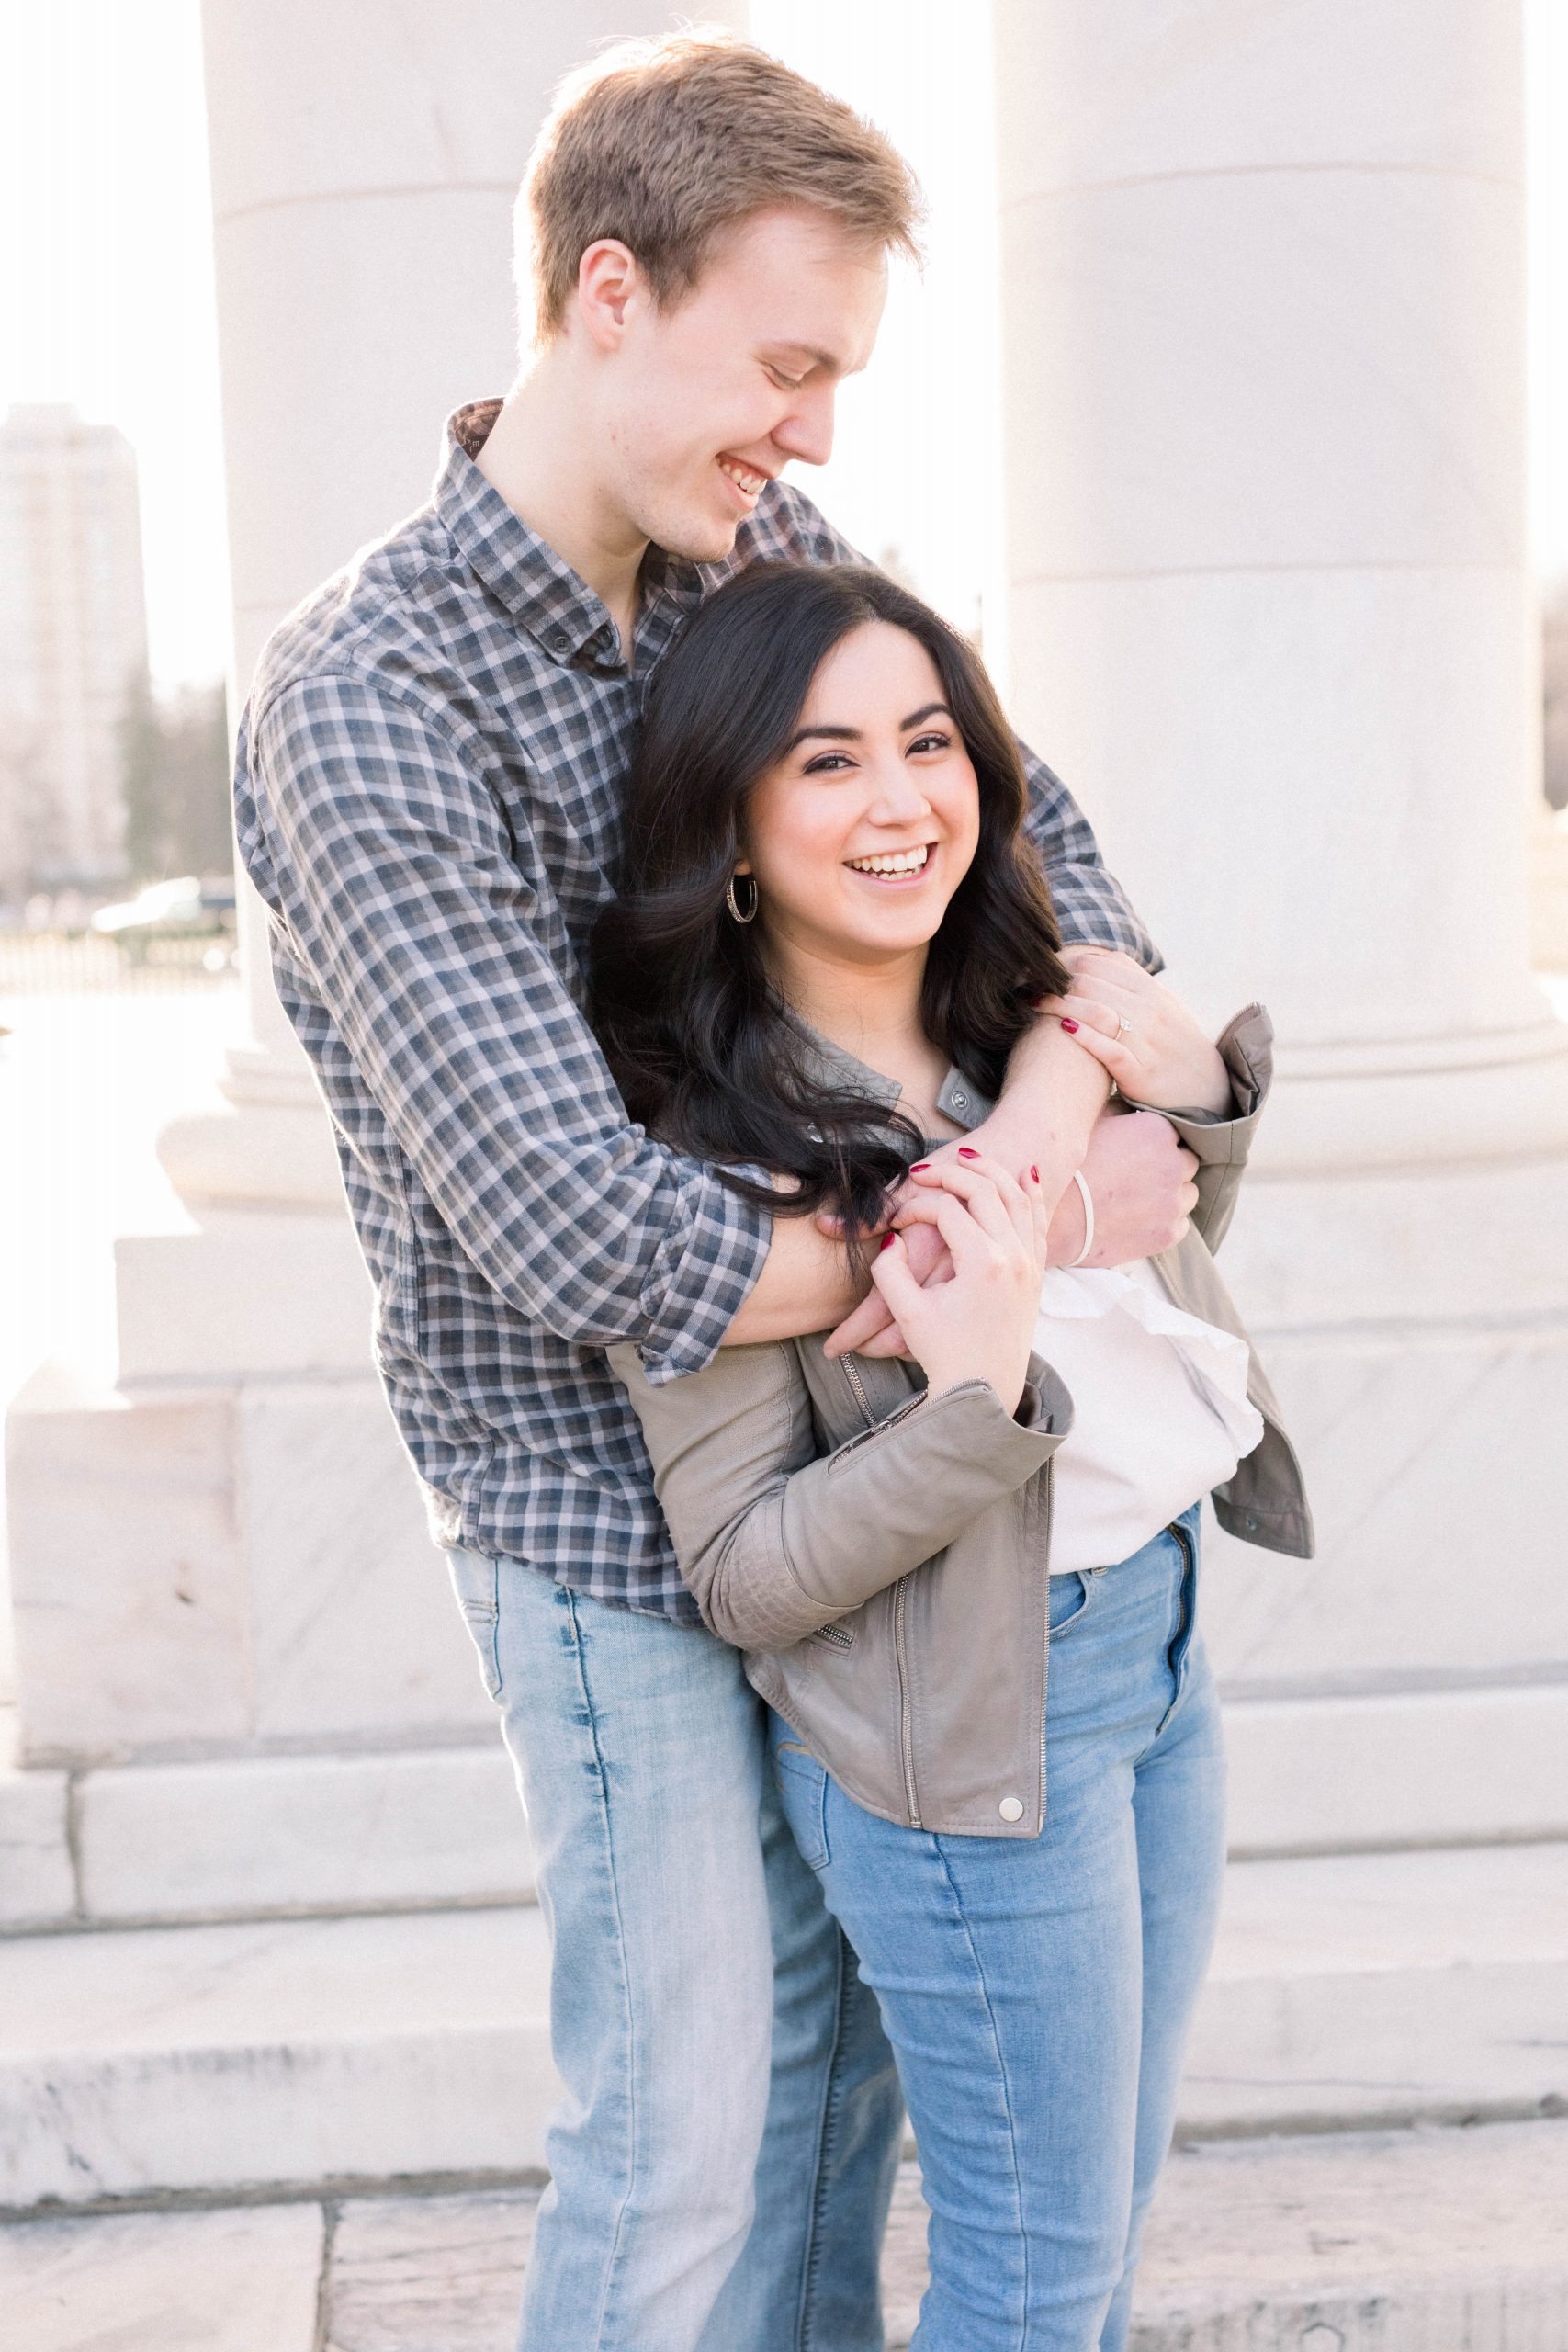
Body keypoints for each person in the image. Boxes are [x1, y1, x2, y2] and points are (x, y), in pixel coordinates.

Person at [232, 31, 1201, 2351]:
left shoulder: (770, 567)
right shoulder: (368, 696)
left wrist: (1046, 1158)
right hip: (603, 1539)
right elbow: (580, 1234)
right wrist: (972, 1247)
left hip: (866, 1498)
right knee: (683, 2154)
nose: (816, 431)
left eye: (840, 375)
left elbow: (1088, 920)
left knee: (850, 2123)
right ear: (602, 293)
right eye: (783, 362)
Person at [594, 560, 1314, 2352]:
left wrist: (1189, 1106)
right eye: (825, 760)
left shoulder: (1008, 1025)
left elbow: (1144, 1234)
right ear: (736, 827)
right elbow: (743, 1569)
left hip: (1152, 1650)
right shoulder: (690, 1148)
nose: (899, 795)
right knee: (1032, 2287)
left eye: (926, 740)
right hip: (968, 1723)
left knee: (1092, 2235)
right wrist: (968, 1408)